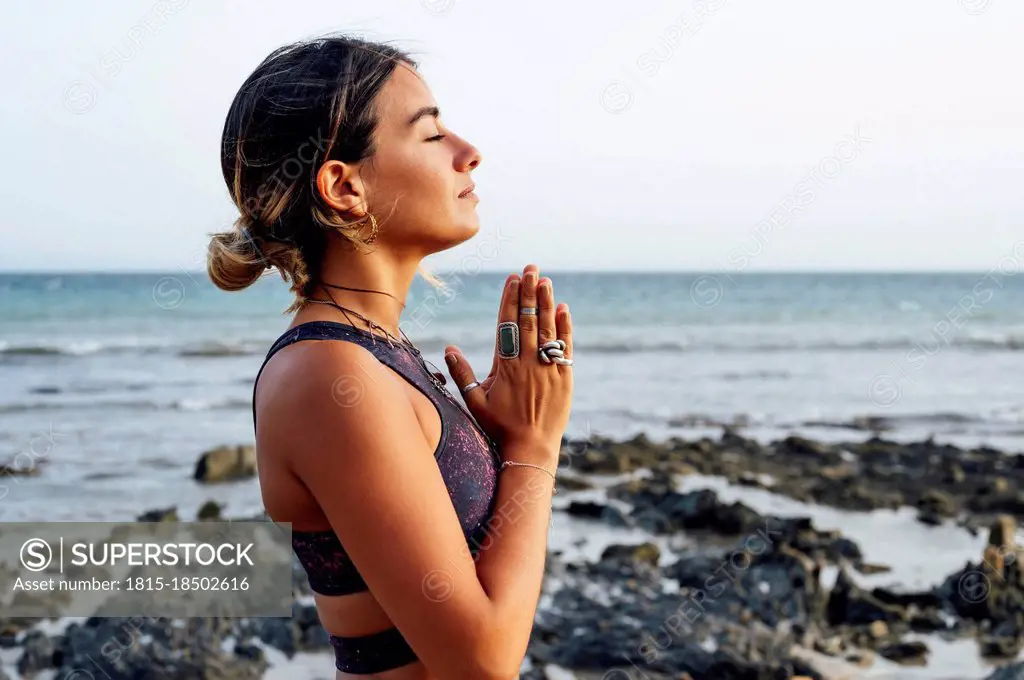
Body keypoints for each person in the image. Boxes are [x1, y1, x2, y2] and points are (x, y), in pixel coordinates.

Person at [207, 34, 574, 679]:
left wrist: (501, 436)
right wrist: (535, 449)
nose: (468, 153)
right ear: (344, 186)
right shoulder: (329, 374)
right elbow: (480, 661)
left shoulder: (378, 352)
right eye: (432, 136)